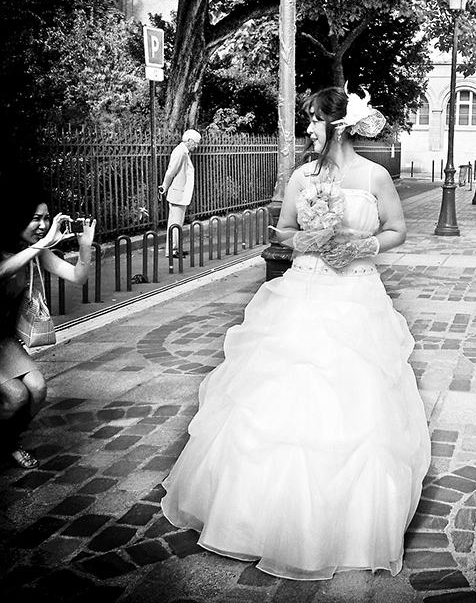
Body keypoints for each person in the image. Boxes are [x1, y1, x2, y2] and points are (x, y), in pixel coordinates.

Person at [161, 86, 431, 580]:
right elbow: (281, 230)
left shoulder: (375, 175)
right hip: (303, 290)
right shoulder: (302, 176)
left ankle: (348, 526)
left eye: (312, 119)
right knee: (280, 392)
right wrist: (310, 238)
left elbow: (397, 230)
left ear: (337, 125)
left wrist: (360, 245)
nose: (307, 127)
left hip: (356, 295)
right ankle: (253, 516)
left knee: (356, 399)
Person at [0, 183, 96, 468]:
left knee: (37, 389)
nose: (43, 226)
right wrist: (42, 244)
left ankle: (8, 442)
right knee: (15, 395)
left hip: (2, 337)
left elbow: (77, 276)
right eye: (35, 219)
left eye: (46, 218)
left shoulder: (35, 251)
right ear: (16, 218)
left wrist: (85, 247)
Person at [159, 129, 201, 257]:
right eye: (196, 143)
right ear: (189, 141)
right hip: (177, 193)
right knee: (174, 223)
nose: (197, 146)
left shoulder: (185, 152)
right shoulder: (180, 152)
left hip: (181, 194)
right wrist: (164, 186)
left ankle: (175, 248)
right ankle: (171, 251)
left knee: (177, 223)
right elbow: (170, 172)